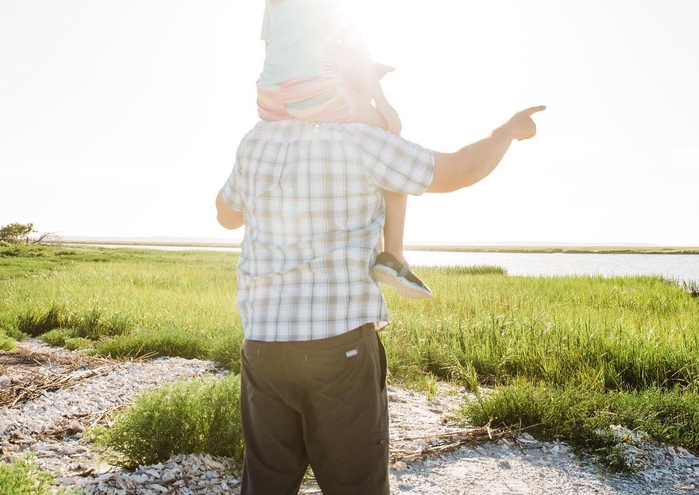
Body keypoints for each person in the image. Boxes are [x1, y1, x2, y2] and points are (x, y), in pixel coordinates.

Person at [215, 104, 546, 495]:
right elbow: (461, 170)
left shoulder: (258, 140)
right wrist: (507, 130)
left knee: (265, 485)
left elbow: (226, 215)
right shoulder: (362, 140)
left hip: (263, 343)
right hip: (338, 348)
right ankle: (396, 256)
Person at [254, 0, 430, 299]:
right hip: (310, 94)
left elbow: (286, 51)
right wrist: (380, 101)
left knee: (347, 102)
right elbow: (354, 43)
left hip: (269, 100)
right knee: (391, 135)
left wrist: (345, 79)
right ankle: (394, 255)